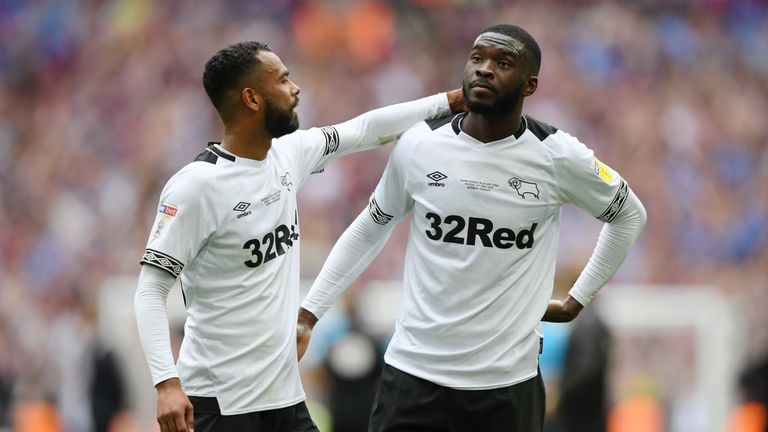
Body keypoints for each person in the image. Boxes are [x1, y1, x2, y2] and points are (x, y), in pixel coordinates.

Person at [297, 24, 647, 432]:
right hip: (413, 375)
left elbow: (629, 215)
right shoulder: (420, 144)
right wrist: (309, 312)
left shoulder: (558, 156)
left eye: (503, 63)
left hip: (505, 387)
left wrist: (577, 299)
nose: (484, 69)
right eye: (477, 58)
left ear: (529, 85)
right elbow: (371, 226)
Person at [134, 41, 463, 432]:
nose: (296, 89)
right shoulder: (196, 187)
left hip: (285, 401)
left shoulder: (289, 153)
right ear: (252, 98)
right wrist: (166, 382)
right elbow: (151, 291)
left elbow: (362, 130)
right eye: (284, 79)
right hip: (220, 406)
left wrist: (449, 102)